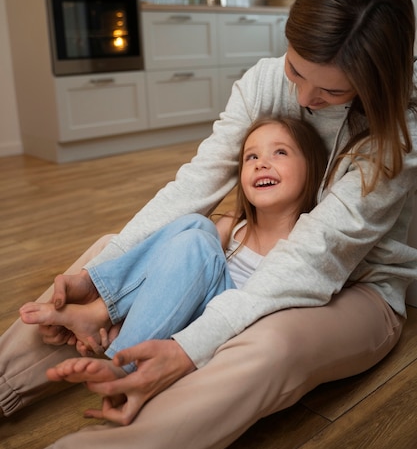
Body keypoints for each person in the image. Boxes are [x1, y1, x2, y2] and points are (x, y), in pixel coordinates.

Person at [1, 0, 417, 449]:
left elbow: (315, 260)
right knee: (111, 253)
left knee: (271, 344)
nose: (304, 98)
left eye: (332, 91)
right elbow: (193, 187)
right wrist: (100, 280)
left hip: (356, 289)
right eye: (297, 71)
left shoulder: (399, 132)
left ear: (375, 83)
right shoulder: (267, 82)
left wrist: (186, 350)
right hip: (252, 261)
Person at [18, 116, 328, 370]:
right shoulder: (233, 226)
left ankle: (120, 357)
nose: (262, 163)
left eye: (280, 152)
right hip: (187, 312)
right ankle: (104, 310)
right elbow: (174, 269)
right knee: (196, 226)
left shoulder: (305, 238)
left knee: (197, 240)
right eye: (251, 156)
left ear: (313, 167)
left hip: (227, 326)